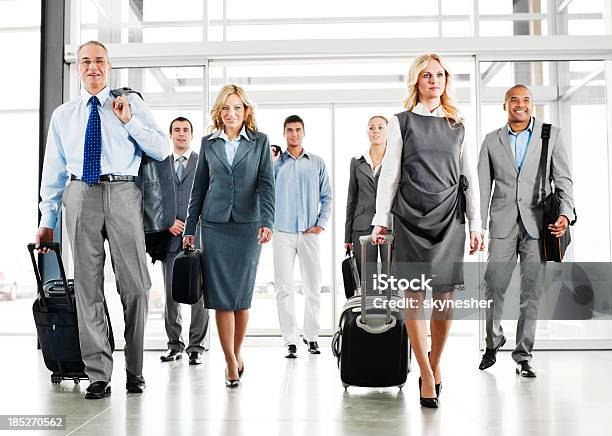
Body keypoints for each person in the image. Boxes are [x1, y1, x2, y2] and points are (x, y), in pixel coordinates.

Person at [36, 41, 169, 399]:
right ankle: (98, 373)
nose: (92, 67)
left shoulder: (131, 103)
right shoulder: (64, 115)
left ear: (109, 66)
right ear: (78, 68)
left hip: (124, 193)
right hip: (81, 194)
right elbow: (54, 171)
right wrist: (47, 218)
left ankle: (135, 370)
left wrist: (128, 121)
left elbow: (161, 148)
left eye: (99, 61)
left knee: (137, 287)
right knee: (87, 288)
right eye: (85, 62)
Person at [371, 53, 483, 408]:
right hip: (409, 218)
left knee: (445, 298)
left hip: (450, 217)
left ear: (446, 81)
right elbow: (390, 174)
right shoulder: (400, 121)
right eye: (426, 75)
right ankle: (424, 372)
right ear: (416, 81)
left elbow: (471, 178)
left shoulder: (459, 124)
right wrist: (380, 220)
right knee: (414, 299)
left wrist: (477, 222)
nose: (433, 80)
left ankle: (433, 364)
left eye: (439, 75)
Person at [477, 84, 575, 377]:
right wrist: (478, 227)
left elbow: (564, 180)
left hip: (538, 224)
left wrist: (565, 215)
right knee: (493, 284)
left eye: (526, 100)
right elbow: (483, 188)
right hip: (502, 224)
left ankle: (523, 355)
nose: (521, 104)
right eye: (514, 100)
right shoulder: (491, 141)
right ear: (504, 105)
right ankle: (493, 342)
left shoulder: (551, 135)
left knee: (532, 292)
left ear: (532, 105)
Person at [183, 84, 274, 387]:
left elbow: (266, 184)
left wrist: (267, 221)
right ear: (219, 113)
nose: (231, 113)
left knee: (242, 297)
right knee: (221, 297)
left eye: (237, 107)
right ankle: (230, 362)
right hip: (215, 225)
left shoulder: (260, 142)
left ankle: (236, 352)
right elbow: (199, 188)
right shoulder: (209, 143)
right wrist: (189, 228)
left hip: (248, 226)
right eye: (225, 108)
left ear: (246, 111)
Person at [273, 115, 332, 358]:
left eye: (298, 130)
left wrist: (320, 224)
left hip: (309, 233)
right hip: (282, 232)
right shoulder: (275, 163)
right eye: (289, 130)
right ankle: (290, 340)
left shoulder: (317, 163)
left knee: (312, 288)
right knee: (284, 288)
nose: (294, 134)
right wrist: (273, 162)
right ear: (284, 133)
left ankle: (312, 337)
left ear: (303, 132)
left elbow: (327, 196)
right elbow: (264, 192)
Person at [159, 117, 210, 366]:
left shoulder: (203, 162)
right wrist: (167, 222)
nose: (181, 134)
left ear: (192, 134)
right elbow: (154, 199)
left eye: (186, 130)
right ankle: (174, 344)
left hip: (198, 237)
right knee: (171, 293)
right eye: (177, 130)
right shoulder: (162, 164)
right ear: (171, 135)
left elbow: (210, 198)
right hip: (169, 239)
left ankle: (196, 346)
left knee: (199, 293)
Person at [344, 115, 389, 282]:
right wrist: (347, 236)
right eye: (371, 128)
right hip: (362, 226)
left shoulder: (396, 160)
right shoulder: (357, 162)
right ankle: (368, 309)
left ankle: (389, 309)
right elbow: (351, 199)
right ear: (367, 132)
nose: (375, 131)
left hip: (389, 226)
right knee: (366, 281)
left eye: (380, 127)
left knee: (390, 280)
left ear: (388, 132)